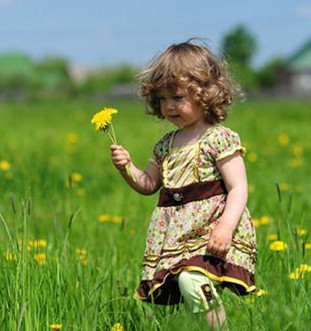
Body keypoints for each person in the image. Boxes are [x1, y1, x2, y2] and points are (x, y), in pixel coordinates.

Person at [110, 40, 256, 329]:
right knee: (188, 284)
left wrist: (225, 227)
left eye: (177, 97)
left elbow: (238, 187)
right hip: (177, 234)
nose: (169, 106)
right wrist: (126, 168)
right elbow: (149, 184)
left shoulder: (219, 138)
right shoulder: (165, 145)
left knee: (192, 279)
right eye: (163, 99)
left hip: (212, 228)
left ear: (205, 94)